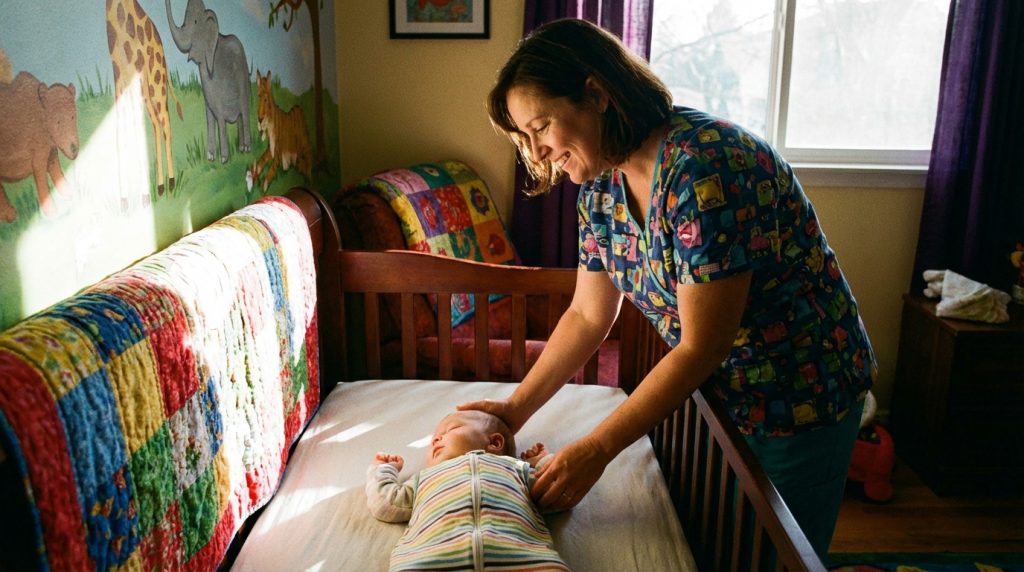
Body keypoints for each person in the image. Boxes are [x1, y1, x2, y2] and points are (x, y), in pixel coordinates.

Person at [458, 17, 877, 558]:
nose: (535, 154)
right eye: (526, 138)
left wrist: (597, 447)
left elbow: (703, 344)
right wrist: (515, 410)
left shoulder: (706, 168)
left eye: (540, 127)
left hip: (799, 393)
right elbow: (588, 315)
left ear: (596, 93)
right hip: (721, 396)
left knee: (775, 556)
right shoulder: (601, 187)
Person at [366, 410, 568, 571]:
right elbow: (386, 502)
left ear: (494, 442)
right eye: (435, 438)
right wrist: (384, 470)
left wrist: (540, 463)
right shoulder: (424, 478)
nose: (436, 439)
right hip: (427, 561)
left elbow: (558, 488)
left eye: (449, 430)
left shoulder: (516, 470)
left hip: (525, 559)